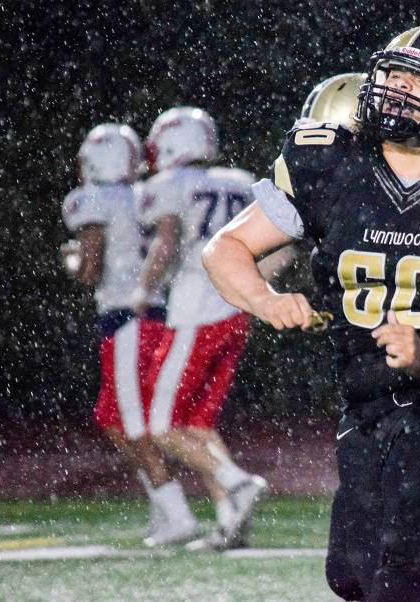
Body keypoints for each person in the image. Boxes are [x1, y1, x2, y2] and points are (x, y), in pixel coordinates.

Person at [202, 25, 420, 602]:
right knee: (354, 578)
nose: (398, 90)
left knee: (404, 582)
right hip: (367, 393)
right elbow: (225, 249)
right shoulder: (331, 163)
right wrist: (264, 300)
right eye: (391, 75)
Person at [134, 106, 276, 550]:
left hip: (195, 308)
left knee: (160, 424)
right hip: (237, 310)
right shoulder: (240, 182)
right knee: (197, 422)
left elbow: (167, 241)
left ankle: (237, 482)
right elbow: (275, 247)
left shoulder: (174, 185)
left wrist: (143, 290)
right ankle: (230, 519)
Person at [60, 123, 198, 547]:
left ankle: (177, 514)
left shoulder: (93, 199)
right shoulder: (147, 193)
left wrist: (70, 262)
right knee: (115, 419)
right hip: (156, 312)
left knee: (130, 421)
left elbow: (91, 267)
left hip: (126, 316)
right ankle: (164, 505)